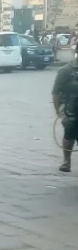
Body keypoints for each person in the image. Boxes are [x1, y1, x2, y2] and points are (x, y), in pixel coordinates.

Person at [51, 41, 78, 172]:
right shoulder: (66, 71)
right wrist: (60, 113)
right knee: (69, 135)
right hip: (71, 110)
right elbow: (56, 92)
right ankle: (66, 161)